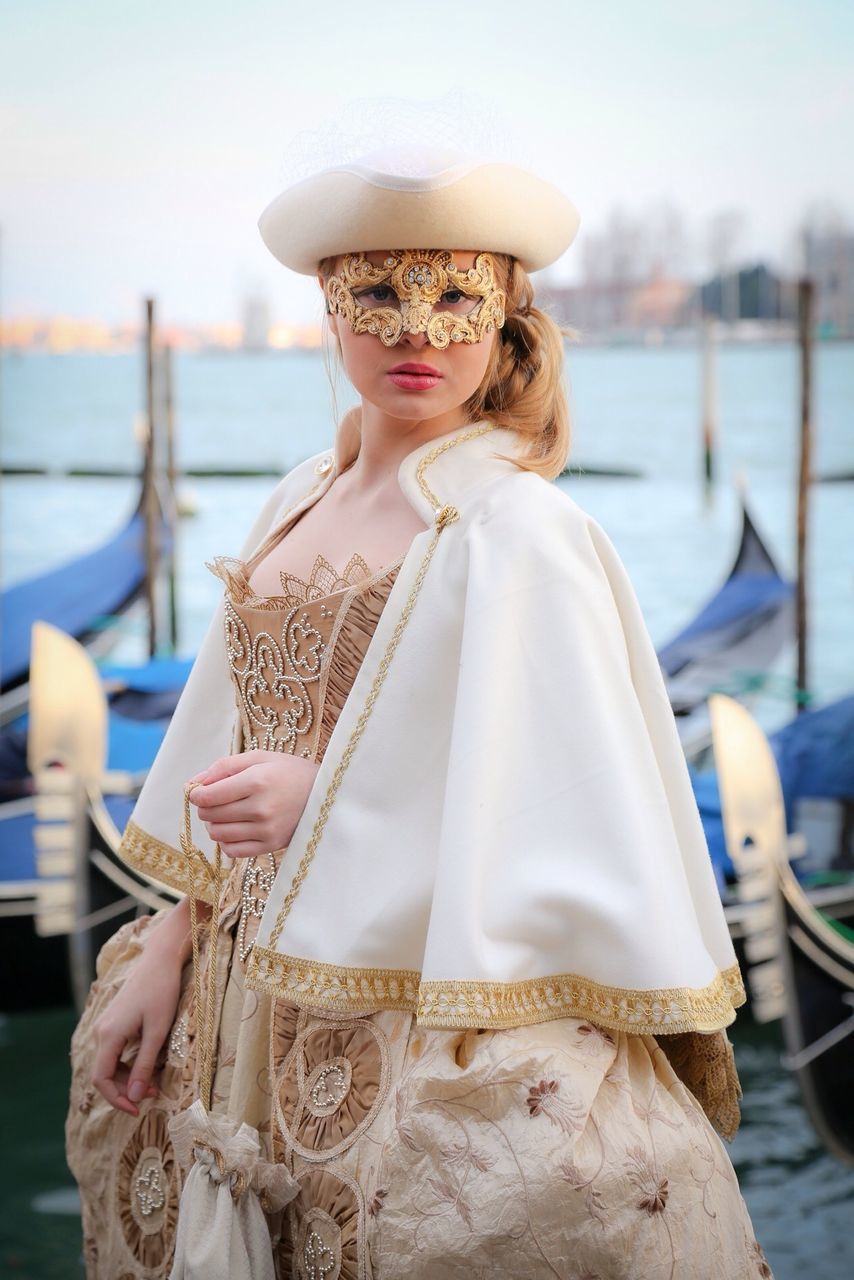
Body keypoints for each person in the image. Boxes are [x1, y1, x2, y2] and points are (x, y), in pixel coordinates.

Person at [66, 146, 774, 1279]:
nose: (417, 331)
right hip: (236, 993)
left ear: (503, 316)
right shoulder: (302, 491)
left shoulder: (521, 529)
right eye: (380, 296)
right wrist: (172, 935)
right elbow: (233, 739)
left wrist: (327, 796)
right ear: (331, 307)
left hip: (418, 988)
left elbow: (569, 787)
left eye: (454, 297)